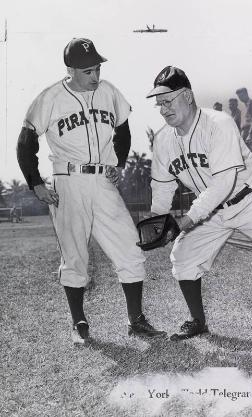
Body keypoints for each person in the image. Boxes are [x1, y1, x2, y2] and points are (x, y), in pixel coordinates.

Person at [146, 66, 252, 354]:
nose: (163, 109)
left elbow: (224, 183)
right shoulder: (162, 141)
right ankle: (197, 321)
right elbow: (161, 187)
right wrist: (159, 222)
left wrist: (182, 222)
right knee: (183, 257)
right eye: (159, 103)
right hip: (210, 208)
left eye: (168, 100)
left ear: (188, 96)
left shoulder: (218, 123)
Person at [17, 38, 166, 345]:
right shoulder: (51, 97)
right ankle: (78, 322)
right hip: (68, 182)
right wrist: (36, 183)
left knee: (130, 248)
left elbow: (123, 129)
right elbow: (25, 142)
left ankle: (136, 320)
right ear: (70, 69)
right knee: (75, 256)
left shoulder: (109, 91)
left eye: (97, 68)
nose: (94, 76)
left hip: (103, 182)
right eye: (87, 71)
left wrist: (120, 164)